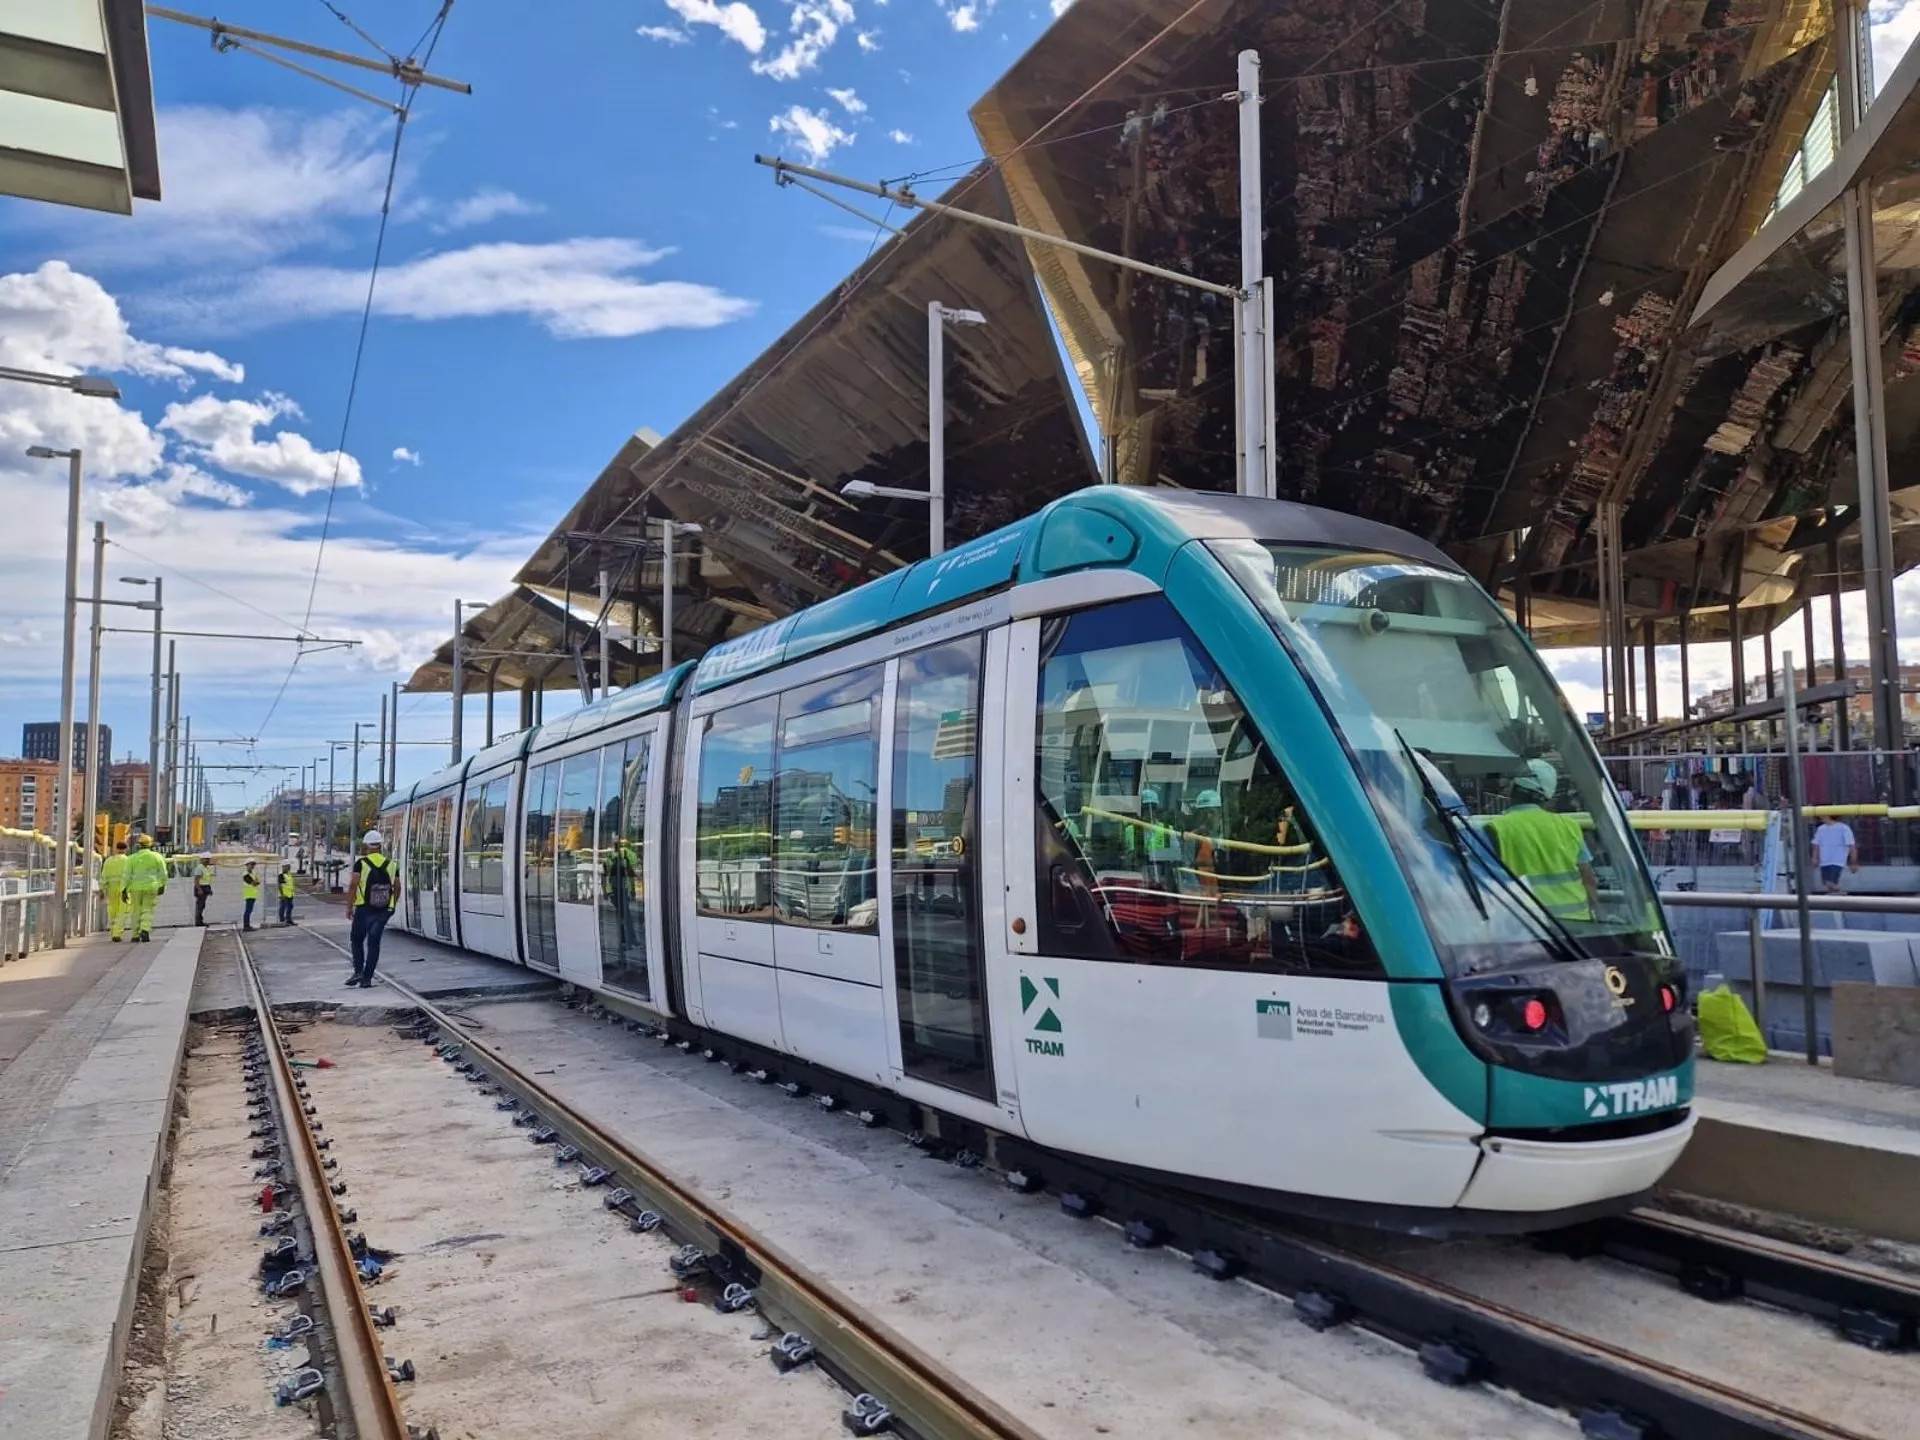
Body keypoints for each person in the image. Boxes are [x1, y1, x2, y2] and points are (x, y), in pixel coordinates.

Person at [1485, 759, 1599, 922]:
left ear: (1512, 788)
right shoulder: (1570, 826)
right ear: (1548, 796)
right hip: (1579, 925)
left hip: (1529, 926)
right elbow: (1588, 877)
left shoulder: (1496, 828)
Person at [346, 829, 400, 988]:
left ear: (366, 846)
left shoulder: (361, 864)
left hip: (363, 909)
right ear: (380, 845)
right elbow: (397, 887)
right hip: (383, 911)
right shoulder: (391, 864)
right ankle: (367, 978)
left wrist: (349, 907)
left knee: (356, 940)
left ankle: (358, 971)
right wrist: (392, 905)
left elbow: (353, 886)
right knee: (374, 943)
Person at [124, 834, 169, 943]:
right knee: (148, 910)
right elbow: (163, 873)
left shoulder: (131, 858)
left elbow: (126, 875)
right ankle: (145, 929)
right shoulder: (157, 857)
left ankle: (135, 935)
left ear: (139, 845)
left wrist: (124, 890)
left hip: (135, 888)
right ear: (150, 845)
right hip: (151, 887)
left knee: (136, 911)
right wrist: (163, 885)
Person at [1812, 815, 1858, 894]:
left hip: (1838, 860)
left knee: (1831, 882)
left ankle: (1839, 893)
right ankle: (1837, 895)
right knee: (1826, 882)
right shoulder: (1820, 829)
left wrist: (1853, 862)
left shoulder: (1844, 828)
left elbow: (1851, 845)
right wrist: (1815, 858)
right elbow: (1816, 845)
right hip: (1824, 861)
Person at [100, 840, 130, 942]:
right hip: (124, 889)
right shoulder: (128, 860)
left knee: (112, 910)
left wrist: (102, 889)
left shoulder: (109, 861)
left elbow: (103, 876)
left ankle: (113, 931)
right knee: (122, 911)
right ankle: (117, 933)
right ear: (126, 849)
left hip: (111, 888)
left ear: (116, 849)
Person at [191, 853, 213, 926]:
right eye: (206, 859)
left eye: (208, 859)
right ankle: (198, 922)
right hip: (201, 888)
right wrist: (199, 889)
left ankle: (200, 921)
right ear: (202, 859)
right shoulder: (200, 868)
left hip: (205, 887)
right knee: (200, 906)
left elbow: (207, 879)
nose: (208, 861)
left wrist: (209, 889)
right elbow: (196, 879)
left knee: (202, 905)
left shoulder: (205, 868)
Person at [240, 862, 260, 930]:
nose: (252, 866)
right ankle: (246, 926)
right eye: (251, 865)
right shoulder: (246, 874)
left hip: (252, 894)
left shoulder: (253, 873)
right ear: (247, 865)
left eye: (253, 865)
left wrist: (256, 882)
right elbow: (254, 883)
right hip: (248, 894)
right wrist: (255, 882)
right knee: (248, 911)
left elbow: (258, 882)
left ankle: (247, 925)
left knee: (249, 910)